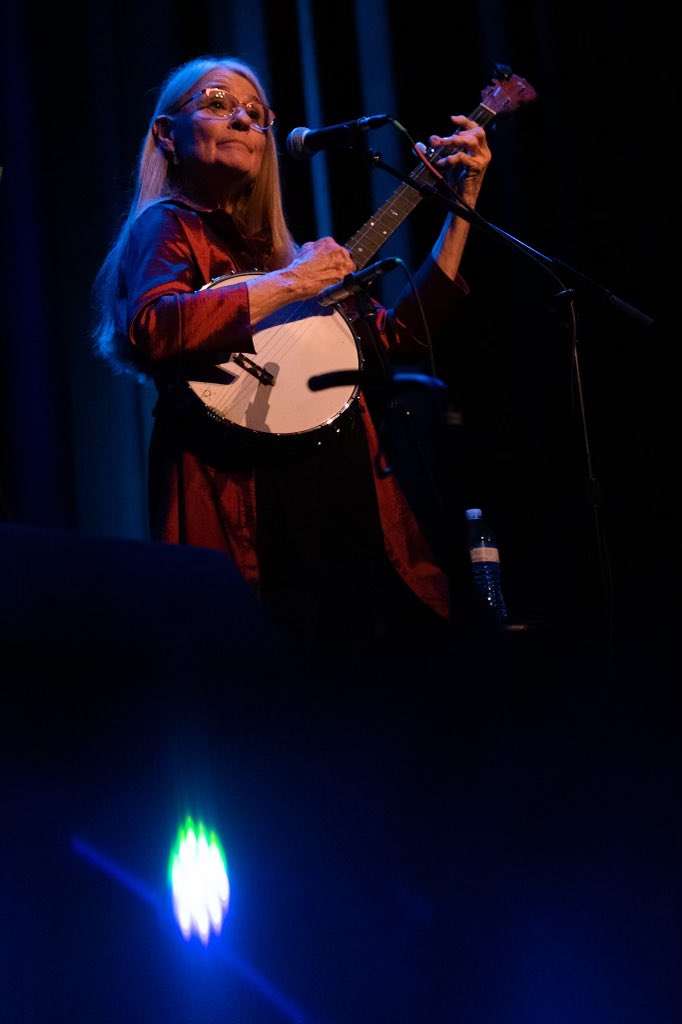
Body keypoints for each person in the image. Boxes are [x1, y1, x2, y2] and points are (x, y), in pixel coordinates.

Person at [92, 54, 491, 653]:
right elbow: (154, 325)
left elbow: (394, 338)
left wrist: (462, 206)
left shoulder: (285, 257)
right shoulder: (168, 227)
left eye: (257, 114)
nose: (243, 120)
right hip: (252, 507)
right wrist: (296, 284)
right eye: (218, 103)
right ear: (165, 135)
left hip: (343, 498)